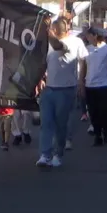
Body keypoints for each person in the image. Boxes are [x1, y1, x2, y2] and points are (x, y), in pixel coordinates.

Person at [36, 17, 88, 168]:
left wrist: (81, 81)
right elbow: (44, 63)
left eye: (52, 29)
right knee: (46, 124)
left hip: (66, 91)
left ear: (57, 30)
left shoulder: (73, 42)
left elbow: (59, 47)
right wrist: (39, 80)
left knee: (61, 125)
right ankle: (45, 155)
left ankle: (58, 154)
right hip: (49, 89)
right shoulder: (49, 43)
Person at [79, 27, 107, 146]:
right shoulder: (87, 50)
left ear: (95, 35)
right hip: (90, 86)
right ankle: (98, 135)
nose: (86, 38)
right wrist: (80, 82)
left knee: (104, 111)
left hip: (104, 85)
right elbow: (83, 68)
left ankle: (105, 129)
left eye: (88, 36)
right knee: (93, 112)